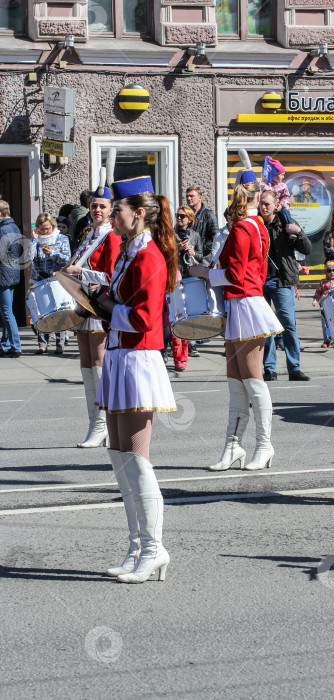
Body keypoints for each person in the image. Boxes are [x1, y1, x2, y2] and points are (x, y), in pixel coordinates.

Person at [93, 175, 178, 583]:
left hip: (137, 359)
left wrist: (105, 305)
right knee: (120, 458)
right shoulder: (130, 251)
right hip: (119, 355)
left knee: (138, 460)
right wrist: (91, 290)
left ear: (138, 213)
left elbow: (144, 319)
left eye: (118, 210)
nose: (112, 216)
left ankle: (154, 548)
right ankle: (136, 546)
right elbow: (118, 298)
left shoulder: (150, 256)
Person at [189, 165, 282, 472]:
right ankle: (233, 446)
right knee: (235, 382)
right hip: (239, 305)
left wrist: (203, 272)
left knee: (253, 382)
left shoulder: (244, 228)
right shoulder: (256, 226)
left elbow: (235, 274)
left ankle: (265, 445)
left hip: (246, 306)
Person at [63, 185, 120, 448]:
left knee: (97, 364)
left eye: (102, 207)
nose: (97, 210)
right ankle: (93, 423)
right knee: (86, 365)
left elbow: (110, 276)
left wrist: (81, 272)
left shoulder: (112, 237)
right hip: (82, 302)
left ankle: (103, 425)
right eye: (94, 206)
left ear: (111, 211)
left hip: (98, 304)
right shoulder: (89, 233)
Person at [259, 190, 311, 382]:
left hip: (282, 281)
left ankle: (294, 368)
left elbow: (306, 249)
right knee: (266, 327)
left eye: (267, 204)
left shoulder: (287, 223)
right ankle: (269, 368)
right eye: (261, 203)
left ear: (276, 205)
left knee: (288, 324)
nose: (264, 207)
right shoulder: (257, 224)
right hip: (261, 281)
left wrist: (298, 233)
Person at [26, 213, 71, 354]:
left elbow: (67, 259)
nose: (45, 232)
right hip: (39, 278)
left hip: (56, 278)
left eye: (47, 228)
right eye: (41, 229)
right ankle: (43, 344)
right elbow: (28, 257)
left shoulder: (61, 238)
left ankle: (60, 343)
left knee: (59, 310)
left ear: (53, 226)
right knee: (41, 312)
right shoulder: (37, 240)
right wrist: (33, 240)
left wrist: (52, 253)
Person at [172, 206, 203, 371]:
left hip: (191, 279)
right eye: (177, 215)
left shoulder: (195, 235)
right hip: (175, 280)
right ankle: (178, 357)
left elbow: (202, 256)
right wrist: (177, 248)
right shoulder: (171, 235)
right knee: (176, 318)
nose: (179, 218)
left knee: (189, 319)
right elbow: (165, 255)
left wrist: (193, 252)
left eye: (183, 216)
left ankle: (186, 351)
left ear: (190, 219)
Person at [0, 200, 22, 358]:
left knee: (7, 312)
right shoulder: (13, 226)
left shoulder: (3, 230)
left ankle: (15, 345)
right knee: (8, 311)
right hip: (12, 273)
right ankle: (6, 344)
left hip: (3, 274)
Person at [313, 259, 334, 348]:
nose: (331, 273)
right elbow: (318, 292)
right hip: (325, 307)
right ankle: (326, 340)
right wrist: (315, 300)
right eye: (329, 270)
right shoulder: (323, 282)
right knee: (325, 324)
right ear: (326, 271)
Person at [186, 185, 218, 259]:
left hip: (203, 258)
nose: (188, 198)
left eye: (191, 196)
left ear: (200, 197)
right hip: (188, 256)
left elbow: (214, 238)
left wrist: (198, 252)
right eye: (187, 196)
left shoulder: (209, 215)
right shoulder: (185, 215)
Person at [261, 156, 294, 225]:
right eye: (281, 175)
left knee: (285, 213)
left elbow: (285, 197)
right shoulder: (264, 185)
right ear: (274, 175)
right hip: (266, 208)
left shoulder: (282, 186)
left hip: (279, 207)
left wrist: (282, 205)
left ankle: (289, 226)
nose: (283, 177)